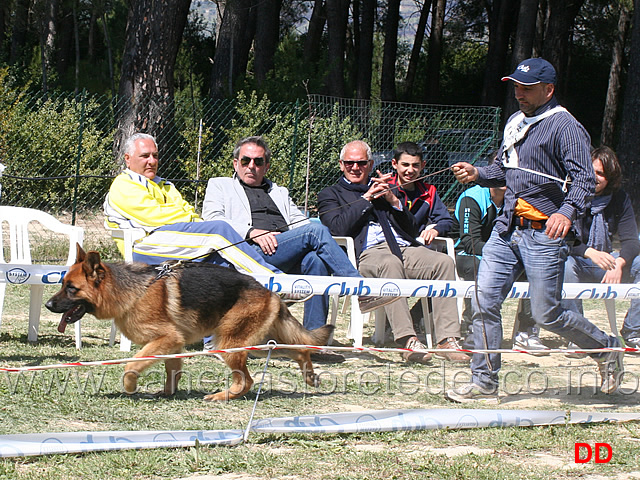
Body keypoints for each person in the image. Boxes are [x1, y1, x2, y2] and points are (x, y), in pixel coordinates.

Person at [445, 57, 624, 403]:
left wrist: (568, 212)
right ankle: (484, 382)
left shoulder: (565, 126)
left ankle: (606, 349)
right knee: (484, 301)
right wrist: (478, 173)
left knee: (547, 313)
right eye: (516, 86)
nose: (519, 94)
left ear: (548, 90)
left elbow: (585, 179)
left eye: (526, 89)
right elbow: (502, 169)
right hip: (506, 230)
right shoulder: (515, 121)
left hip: (545, 234)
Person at [202, 136, 395, 333]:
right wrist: (253, 232)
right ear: (236, 163)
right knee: (316, 230)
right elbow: (212, 220)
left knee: (315, 261)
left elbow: (300, 222)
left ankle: (312, 339)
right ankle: (361, 290)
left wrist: (293, 237)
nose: (251, 166)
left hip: (281, 249)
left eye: (258, 161)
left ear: (266, 166)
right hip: (246, 252)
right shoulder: (220, 185)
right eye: (246, 160)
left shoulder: (279, 192)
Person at [317, 140, 470, 364]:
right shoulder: (331, 194)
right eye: (350, 163)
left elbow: (410, 228)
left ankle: (447, 338)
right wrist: (366, 198)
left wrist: (394, 200)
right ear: (341, 165)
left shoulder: (387, 186)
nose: (355, 168)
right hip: (368, 254)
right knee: (390, 263)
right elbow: (336, 228)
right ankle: (407, 339)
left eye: (361, 163)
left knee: (443, 262)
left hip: (403, 247)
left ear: (370, 164)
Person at [104, 133, 277, 275]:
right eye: (145, 156)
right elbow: (156, 217)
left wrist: (191, 220)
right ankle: (272, 279)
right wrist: (194, 222)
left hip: (171, 240)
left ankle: (258, 291)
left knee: (222, 261)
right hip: (143, 247)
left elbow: (186, 210)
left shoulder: (164, 185)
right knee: (219, 230)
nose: (152, 161)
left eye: (155, 156)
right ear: (128, 159)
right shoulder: (124, 184)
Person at [453, 183, 550, 354]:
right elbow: (470, 243)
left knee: (534, 267)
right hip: (467, 254)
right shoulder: (472, 198)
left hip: (505, 254)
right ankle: (473, 329)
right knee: (478, 267)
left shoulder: (519, 200)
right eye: (501, 176)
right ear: (491, 177)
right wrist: (501, 254)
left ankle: (526, 332)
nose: (507, 181)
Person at [562, 146, 640, 351]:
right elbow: (561, 238)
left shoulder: (619, 198)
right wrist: (590, 252)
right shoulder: (568, 192)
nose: (595, 178)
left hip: (606, 263)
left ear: (610, 179)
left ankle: (633, 332)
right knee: (565, 264)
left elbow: (632, 241)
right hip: (576, 259)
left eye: (601, 174)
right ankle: (577, 334)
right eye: (592, 171)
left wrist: (620, 263)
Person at [386, 141, 454, 243]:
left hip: (416, 244)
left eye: (415, 165)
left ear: (423, 165)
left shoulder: (429, 191)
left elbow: (446, 221)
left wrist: (435, 230)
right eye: (405, 165)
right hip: (388, 242)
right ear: (394, 164)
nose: (410, 170)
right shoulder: (385, 188)